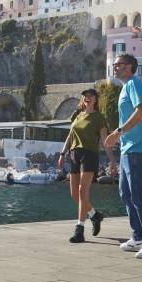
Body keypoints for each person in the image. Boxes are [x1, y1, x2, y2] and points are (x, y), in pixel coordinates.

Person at [103, 53, 142, 259]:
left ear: (129, 67)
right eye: (114, 64)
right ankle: (138, 237)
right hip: (128, 149)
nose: (114, 67)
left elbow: (141, 111)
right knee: (126, 194)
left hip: (138, 148)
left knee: (137, 195)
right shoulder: (126, 87)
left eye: (118, 64)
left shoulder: (134, 84)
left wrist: (118, 132)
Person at [57, 89, 113, 243]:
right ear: (83, 99)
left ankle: (79, 230)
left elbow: (105, 142)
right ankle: (94, 215)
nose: (87, 98)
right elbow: (70, 135)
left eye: (91, 96)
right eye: (85, 96)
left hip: (89, 155)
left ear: (95, 99)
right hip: (74, 154)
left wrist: (113, 161)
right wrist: (62, 154)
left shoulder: (99, 118)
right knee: (75, 195)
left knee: (83, 191)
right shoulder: (77, 115)